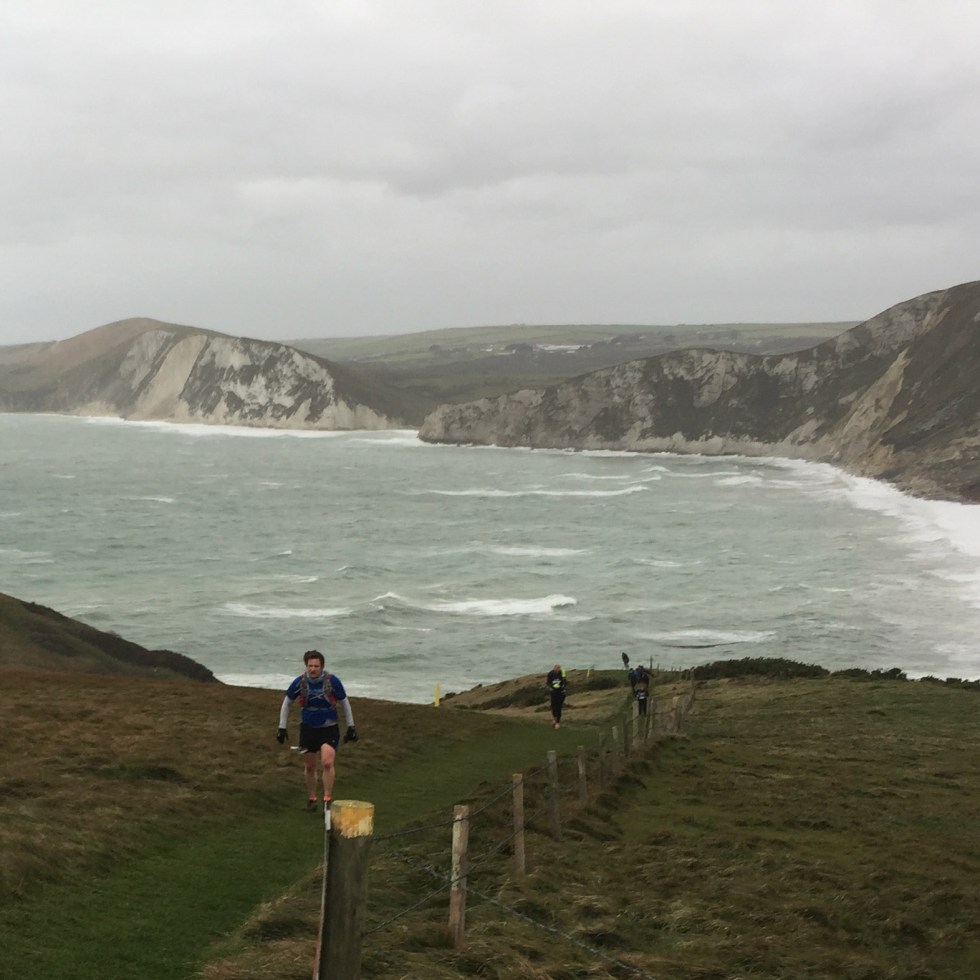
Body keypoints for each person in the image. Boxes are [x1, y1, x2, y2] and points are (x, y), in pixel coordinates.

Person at [277, 649, 358, 812]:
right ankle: (312, 799)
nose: (313, 669)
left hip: (329, 728)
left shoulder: (332, 681)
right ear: (306, 666)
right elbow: (287, 703)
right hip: (308, 729)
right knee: (309, 766)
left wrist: (351, 726)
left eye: (316, 666)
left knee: (327, 762)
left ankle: (327, 799)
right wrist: (281, 727)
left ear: (322, 666)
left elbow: (344, 702)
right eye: (310, 666)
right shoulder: (299, 682)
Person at [546, 663, 567, 728]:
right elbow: (548, 683)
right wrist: (550, 688)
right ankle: (554, 718)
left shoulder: (562, 674)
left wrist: (564, 689)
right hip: (553, 692)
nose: (558, 669)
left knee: (559, 707)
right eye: (556, 668)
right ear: (554, 668)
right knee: (553, 706)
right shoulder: (550, 674)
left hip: (561, 693)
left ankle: (558, 722)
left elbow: (564, 682)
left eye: (559, 668)